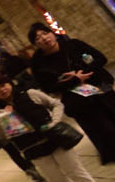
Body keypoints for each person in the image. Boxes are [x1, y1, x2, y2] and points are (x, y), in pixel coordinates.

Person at [0, 75, 108, 182]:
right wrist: (6, 119)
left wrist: (54, 122)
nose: (2, 90)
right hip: (31, 147)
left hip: (54, 138)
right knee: (56, 178)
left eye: (3, 84)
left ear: (9, 83)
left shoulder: (30, 93)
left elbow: (56, 104)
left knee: (75, 170)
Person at [28, 23, 115, 164]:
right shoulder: (38, 64)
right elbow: (47, 87)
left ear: (52, 33)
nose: (43, 38)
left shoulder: (73, 45)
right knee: (103, 130)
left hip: (100, 89)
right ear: (35, 44)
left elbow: (101, 58)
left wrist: (83, 71)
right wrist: (73, 80)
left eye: (45, 33)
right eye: (38, 38)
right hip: (78, 102)